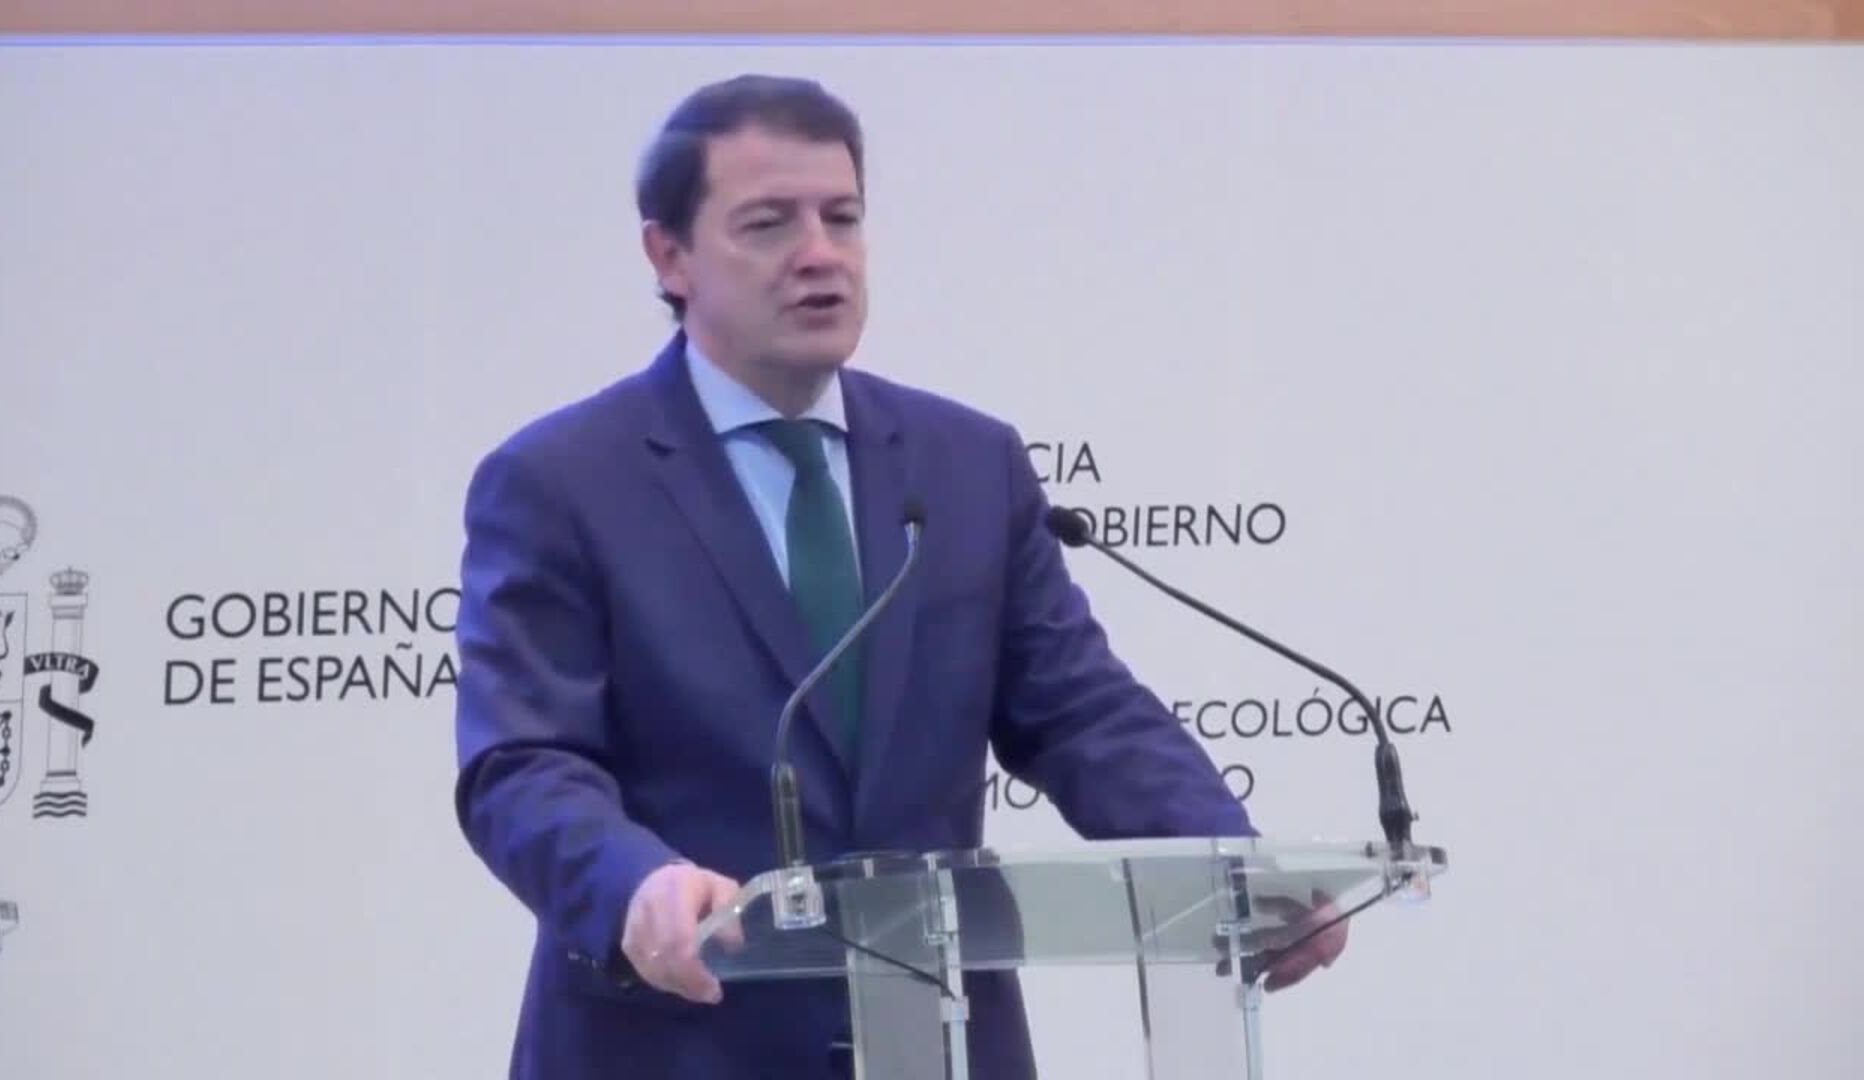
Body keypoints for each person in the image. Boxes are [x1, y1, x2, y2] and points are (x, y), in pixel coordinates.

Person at [453, 73, 1345, 1080]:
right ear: (671, 256)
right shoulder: (563, 481)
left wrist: (1229, 864)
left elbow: (1080, 713)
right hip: (677, 1043)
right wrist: (635, 884)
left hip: (941, 1043)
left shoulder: (966, 465)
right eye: (767, 224)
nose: (819, 254)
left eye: (841, 218)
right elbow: (522, 765)